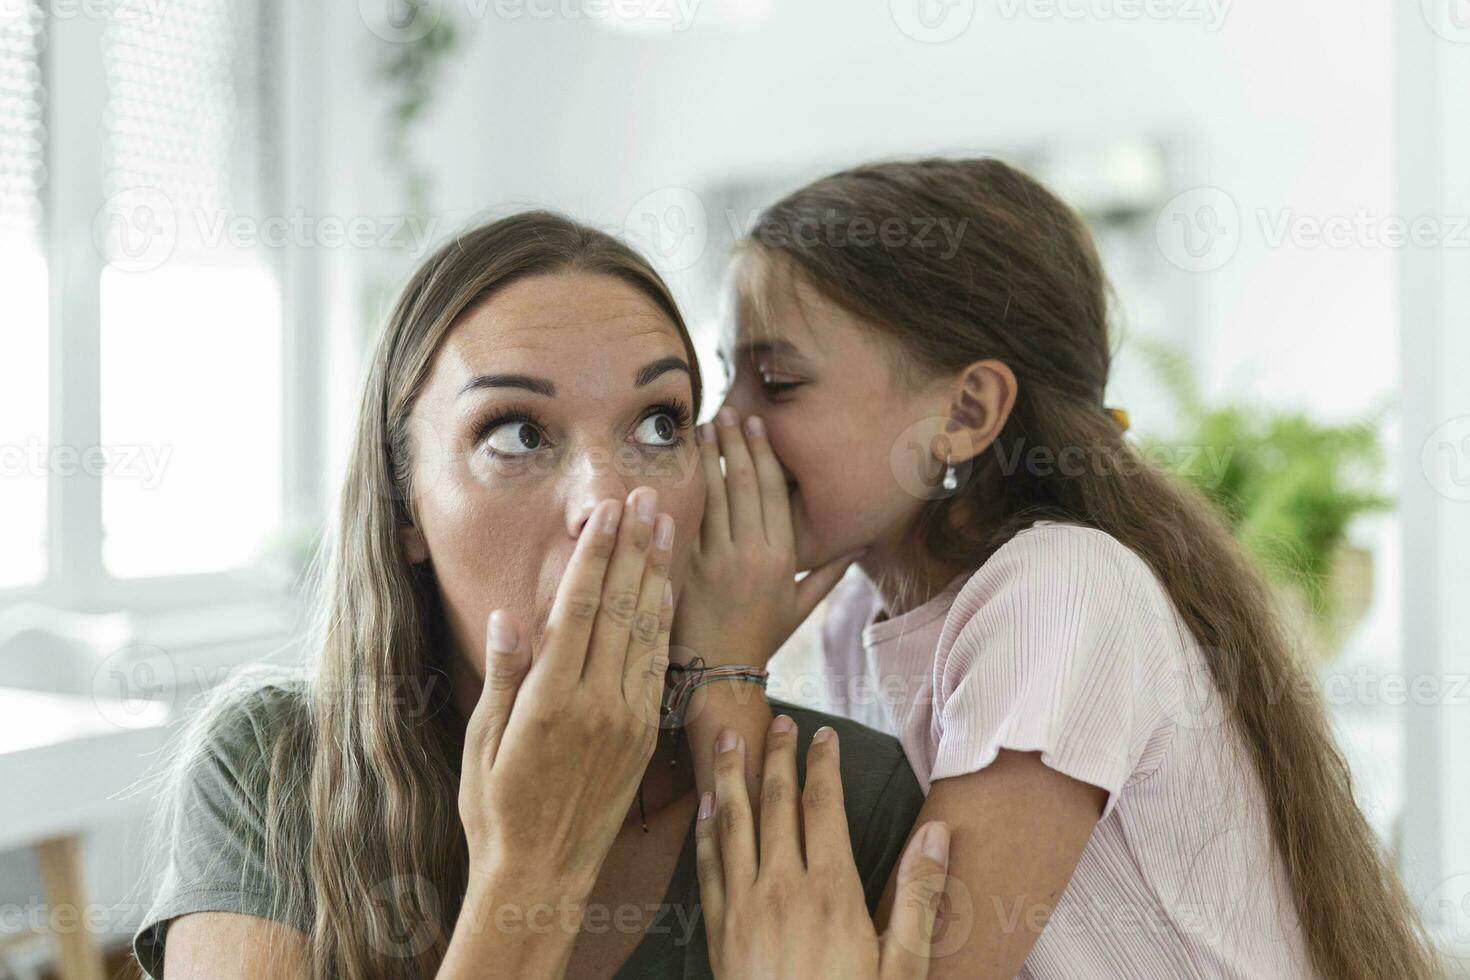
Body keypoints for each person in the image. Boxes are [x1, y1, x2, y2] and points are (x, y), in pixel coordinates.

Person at [129, 211, 944, 979]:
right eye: (517, 433)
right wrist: (531, 878)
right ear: (404, 503)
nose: (607, 501)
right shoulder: (275, 769)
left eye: (659, 426)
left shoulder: (841, 798)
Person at [688, 157, 1442, 978]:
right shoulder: (848, 624)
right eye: (729, 378)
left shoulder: (1057, 593)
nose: (723, 428)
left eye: (779, 382)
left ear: (967, 411)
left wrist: (722, 666)